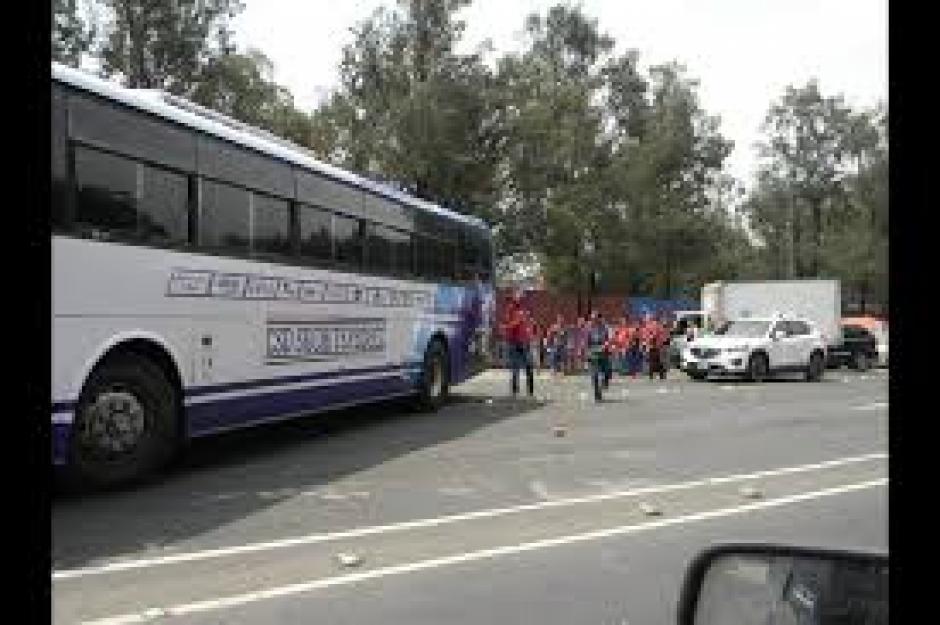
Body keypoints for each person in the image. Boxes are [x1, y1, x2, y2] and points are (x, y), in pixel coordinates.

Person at [501, 292, 534, 397]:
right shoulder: (510, 309)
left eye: (522, 297)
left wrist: (530, 334)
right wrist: (516, 322)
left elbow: (527, 325)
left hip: (524, 341)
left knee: (529, 366)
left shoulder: (524, 310)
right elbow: (506, 326)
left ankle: (530, 391)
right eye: (518, 297)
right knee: (515, 367)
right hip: (513, 342)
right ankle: (515, 391)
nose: (521, 299)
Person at [586, 311, 612, 401]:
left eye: (596, 318)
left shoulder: (605, 328)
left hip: (603, 352)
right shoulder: (589, 329)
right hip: (593, 354)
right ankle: (597, 394)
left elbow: (609, 339)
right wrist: (586, 351)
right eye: (593, 319)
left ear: (599, 319)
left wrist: (605, 345)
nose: (594, 320)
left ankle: (605, 382)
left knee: (607, 372)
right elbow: (586, 342)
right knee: (594, 374)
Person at [642, 313, 668, 380]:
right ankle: (659, 375)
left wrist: (649, 342)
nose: (645, 319)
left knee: (655, 360)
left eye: (646, 318)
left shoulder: (653, 325)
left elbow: (654, 335)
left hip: (655, 345)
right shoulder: (650, 326)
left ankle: (655, 375)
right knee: (656, 360)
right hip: (655, 345)